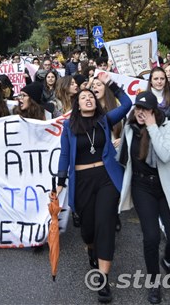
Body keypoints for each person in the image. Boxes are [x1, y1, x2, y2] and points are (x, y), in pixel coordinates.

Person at [56, 71, 132, 303]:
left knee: (105, 225)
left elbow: (128, 104)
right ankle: (91, 248)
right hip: (82, 182)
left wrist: (112, 85)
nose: (88, 99)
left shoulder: (104, 120)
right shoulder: (69, 126)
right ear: (76, 104)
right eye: (83, 97)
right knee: (88, 230)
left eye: (91, 96)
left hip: (106, 178)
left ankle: (103, 278)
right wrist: (59, 182)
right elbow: (65, 155)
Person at [118, 91, 170, 304]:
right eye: (138, 108)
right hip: (141, 187)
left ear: (154, 111)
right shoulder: (129, 128)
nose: (141, 113)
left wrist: (152, 127)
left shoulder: (168, 127)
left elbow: (165, 155)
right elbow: (122, 157)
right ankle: (154, 283)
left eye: (146, 110)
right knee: (151, 237)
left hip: (165, 186)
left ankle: (168, 261)